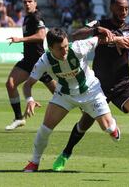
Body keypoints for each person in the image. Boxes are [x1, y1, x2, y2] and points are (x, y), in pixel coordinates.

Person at [52, 0, 129, 174]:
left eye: (126, 9)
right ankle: (65, 154)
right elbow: (76, 35)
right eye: (120, 8)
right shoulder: (100, 23)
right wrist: (98, 30)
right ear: (112, 8)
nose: (124, 12)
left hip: (123, 83)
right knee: (84, 123)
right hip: (98, 85)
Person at [22, 27, 120, 172]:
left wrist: (118, 39)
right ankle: (34, 162)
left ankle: (113, 127)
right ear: (50, 48)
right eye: (60, 48)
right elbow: (27, 84)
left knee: (109, 129)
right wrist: (29, 99)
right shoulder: (44, 61)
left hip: (91, 91)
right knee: (45, 129)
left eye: (66, 46)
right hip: (65, 94)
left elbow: (99, 39)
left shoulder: (79, 47)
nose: (65, 51)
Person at [5, 0, 56, 130]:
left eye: (30, 1)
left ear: (35, 3)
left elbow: (41, 36)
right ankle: (19, 118)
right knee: (10, 84)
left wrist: (20, 40)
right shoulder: (27, 18)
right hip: (28, 60)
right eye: (25, 2)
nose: (27, 4)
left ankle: (85, 108)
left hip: (40, 61)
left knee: (59, 93)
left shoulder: (36, 17)